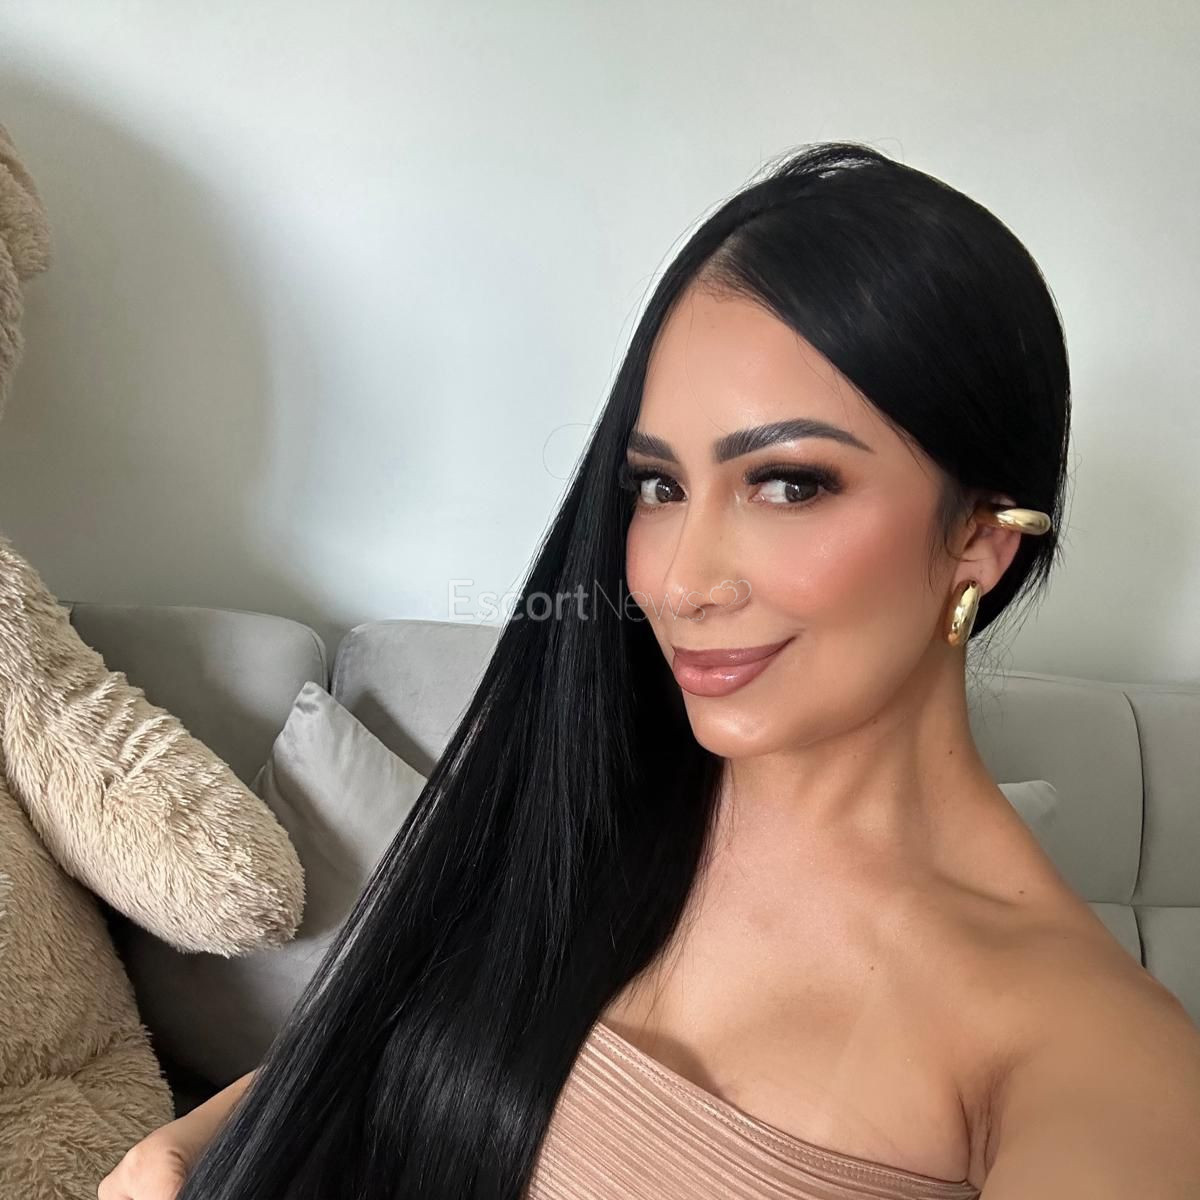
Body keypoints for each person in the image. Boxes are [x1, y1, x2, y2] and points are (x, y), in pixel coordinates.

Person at [100, 141, 1200, 1200]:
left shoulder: (1089, 1050)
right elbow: (409, 1036)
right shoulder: (588, 797)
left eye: (788, 484)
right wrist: (194, 1144)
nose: (678, 582)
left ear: (980, 537)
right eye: (660, 488)